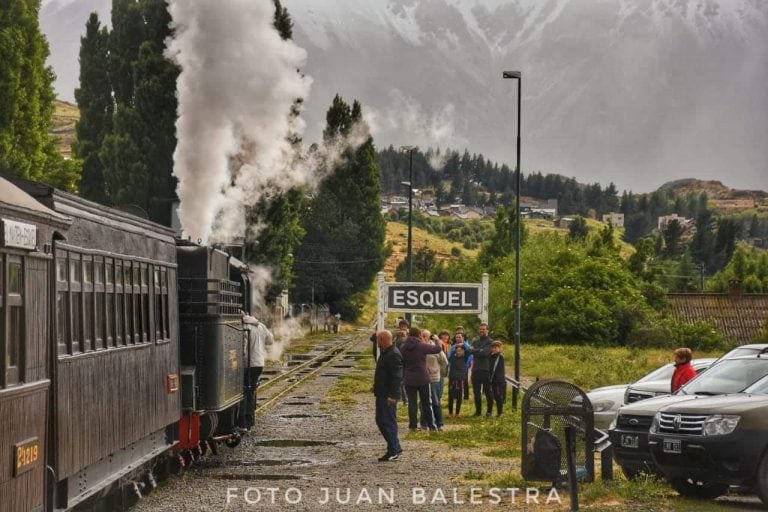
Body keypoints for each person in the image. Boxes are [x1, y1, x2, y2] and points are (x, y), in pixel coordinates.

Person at [401, 326, 442, 432]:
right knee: (426, 403)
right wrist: (437, 340)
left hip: (409, 378)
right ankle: (431, 426)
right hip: (423, 378)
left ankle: (413, 426)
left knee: (412, 403)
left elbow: (401, 362)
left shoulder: (403, 347)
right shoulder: (422, 346)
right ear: (419, 335)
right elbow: (437, 349)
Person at [239, 311, 274, 430]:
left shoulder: (244, 327)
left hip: (248, 364)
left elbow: (243, 349)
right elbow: (271, 340)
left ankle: (244, 423)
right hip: (259, 363)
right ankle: (250, 421)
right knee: (251, 391)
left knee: (244, 392)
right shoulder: (260, 325)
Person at [373, 330, 403, 461]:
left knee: (387, 421)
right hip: (382, 393)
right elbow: (384, 373)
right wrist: (376, 385)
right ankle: (395, 447)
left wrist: (393, 395)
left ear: (383, 339)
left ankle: (394, 449)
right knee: (381, 420)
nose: (377, 343)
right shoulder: (385, 353)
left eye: (378, 340)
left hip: (388, 395)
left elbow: (397, 377)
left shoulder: (393, 354)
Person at [424, 329, 448, 431]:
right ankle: (424, 423)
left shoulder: (435, 348)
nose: (423, 338)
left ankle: (439, 423)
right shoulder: (419, 348)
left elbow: (444, 362)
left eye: (425, 336)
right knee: (423, 402)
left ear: (429, 337)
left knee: (435, 401)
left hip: (434, 378)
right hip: (423, 378)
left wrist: (439, 372)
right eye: (421, 336)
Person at [468, 323, 494, 417]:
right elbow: (469, 351)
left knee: (488, 392)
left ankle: (489, 412)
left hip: (486, 369)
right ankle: (478, 412)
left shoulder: (491, 342)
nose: (482, 331)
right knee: (476, 393)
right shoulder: (476, 341)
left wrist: (477, 351)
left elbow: (486, 353)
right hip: (476, 370)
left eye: (484, 329)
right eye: (480, 329)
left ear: (487, 330)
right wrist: (479, 350)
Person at [447, 344, 470, 417]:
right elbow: (450, 356)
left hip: (460, 379)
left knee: (459, 396)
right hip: (452, 379)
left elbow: (468, 351)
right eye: (457, 351)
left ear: (463, 351)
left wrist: (462, 345)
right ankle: (450, 413)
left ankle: (457, 413)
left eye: (460, 351)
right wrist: (456, 347)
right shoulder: (452, 358)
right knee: (451, 396)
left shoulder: (465, 358)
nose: (459, 352)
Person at [489, 341, 507, 416]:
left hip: (498, 381)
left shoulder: (500, 357)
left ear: (500, 348)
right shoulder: (491, 356)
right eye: (493, 347)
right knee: (494, 396)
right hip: (493, 380)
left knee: (498, 396)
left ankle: (500, 413)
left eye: (496, 347)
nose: (494, 349)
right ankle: (492, 412)